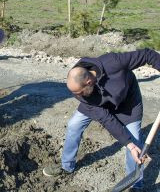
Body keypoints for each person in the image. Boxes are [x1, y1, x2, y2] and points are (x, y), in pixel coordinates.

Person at [43, 48, 160, 190]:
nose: (76, 95)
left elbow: (146, 54)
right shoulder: (81, 93)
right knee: (74, 125)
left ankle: (136, 184)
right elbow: (106, 119)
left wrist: (131, 144)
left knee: (135, 141)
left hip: (127, 104)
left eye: (78, 92)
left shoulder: (113, 62)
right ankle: (66, 166)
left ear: (88, 81)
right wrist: (127, 143)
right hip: (96, 105)